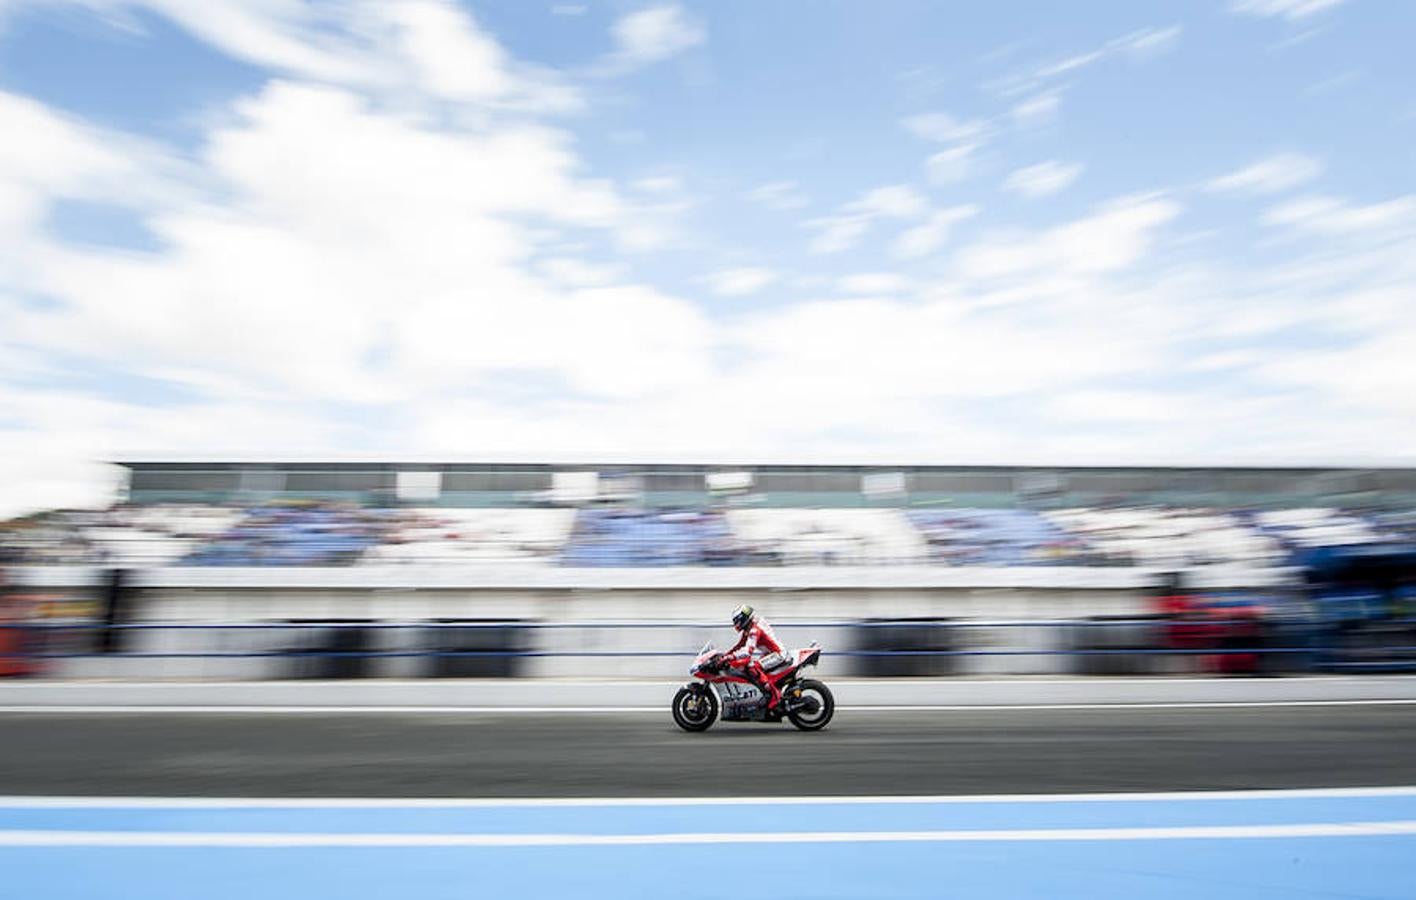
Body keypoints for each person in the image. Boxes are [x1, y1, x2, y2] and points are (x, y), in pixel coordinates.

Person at [722, 604, 787, 710]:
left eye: (737, 620)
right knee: (748, 667)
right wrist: (724, 655)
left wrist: (729, 658)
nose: (736, 624)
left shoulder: (754, 630)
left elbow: (747, 651)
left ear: (743, 618)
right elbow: (740, 645)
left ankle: (775, 696)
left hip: (777, 654)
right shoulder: (750, 628)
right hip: (769, 654)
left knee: (752, 666)